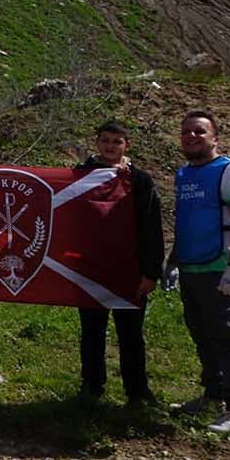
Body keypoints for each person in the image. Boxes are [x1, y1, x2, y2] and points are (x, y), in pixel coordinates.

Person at [170, 110, 230, 433]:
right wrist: (173, 261)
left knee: (227, 337)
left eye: (199, 132)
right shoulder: (184, 174)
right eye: (186, 132)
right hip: (191, 267)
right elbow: (187, 220)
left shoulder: (227, 171)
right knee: (201, 333)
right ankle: (212, 395)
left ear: (215, 139)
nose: (191, 137)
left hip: (218, 267)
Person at [74, 121, 163, 407]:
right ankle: (91, 384)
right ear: (97, 143)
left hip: (130, 269)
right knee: (91, 330)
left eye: (117, 141)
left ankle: (137, 390)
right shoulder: (79, 176)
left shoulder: (140, 181)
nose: (110, 146)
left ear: (127, 145)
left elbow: (152, 228)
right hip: (90, 267)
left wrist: (151, 272)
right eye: (105, 141)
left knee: (131, 334)